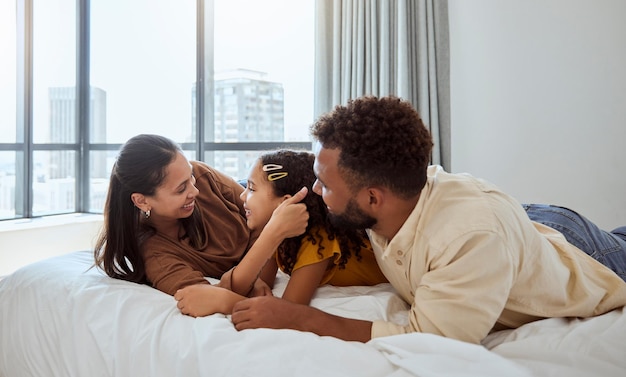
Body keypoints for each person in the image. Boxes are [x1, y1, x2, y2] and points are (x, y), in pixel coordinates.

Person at [229, 95, 626, 345]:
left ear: (372, 198)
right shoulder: (389, 200)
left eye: (325, 186)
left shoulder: (468, 239)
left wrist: (296, 318)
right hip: (524, 225)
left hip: (585, 250)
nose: (316, 192)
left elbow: (426, 338)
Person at [93, 134, 308, 313]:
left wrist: (255, 272)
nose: (195, 191)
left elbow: (260, 217)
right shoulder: (156, 255)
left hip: (259, 195)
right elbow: (205, 297)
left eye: (190, 177)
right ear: (142, 200)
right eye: (180, 189)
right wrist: (248, 277)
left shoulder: (203, 177)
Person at [174, 149, 387, 314]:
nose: (242, 196)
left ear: (285, 203)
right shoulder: (279, 232)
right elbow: (260, 281)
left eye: (252, 189)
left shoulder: (318, 240)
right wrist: (255, 282)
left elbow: (289, 310)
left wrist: (225, 301)